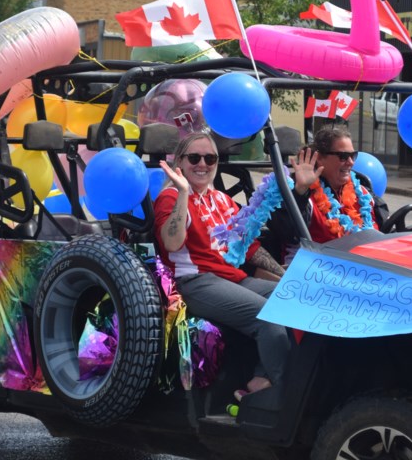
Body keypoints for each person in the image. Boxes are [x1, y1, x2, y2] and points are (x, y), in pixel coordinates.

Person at [154, 131, 288, 402]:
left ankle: (262, 378)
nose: (203, 164)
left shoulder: (221, 200)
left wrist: (284, 275)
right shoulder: (171, 197)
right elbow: (172, 241)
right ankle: (282, 394)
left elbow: (248, 246)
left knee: (293, 298)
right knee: (269, 316)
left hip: (232, 280)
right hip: (196, 282)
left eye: (210, 158)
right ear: (180, 161)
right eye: (194, 157)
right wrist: (182, 192)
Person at [279, 125, 381, 264]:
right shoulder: (302, 192)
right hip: (317, 270)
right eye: (343, 156)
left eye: (352, 155)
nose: (350, 162)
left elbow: (385, 230)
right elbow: (286, 233)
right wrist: (301, 190)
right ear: (320, 158)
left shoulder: (362, 192)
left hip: (364, 268)